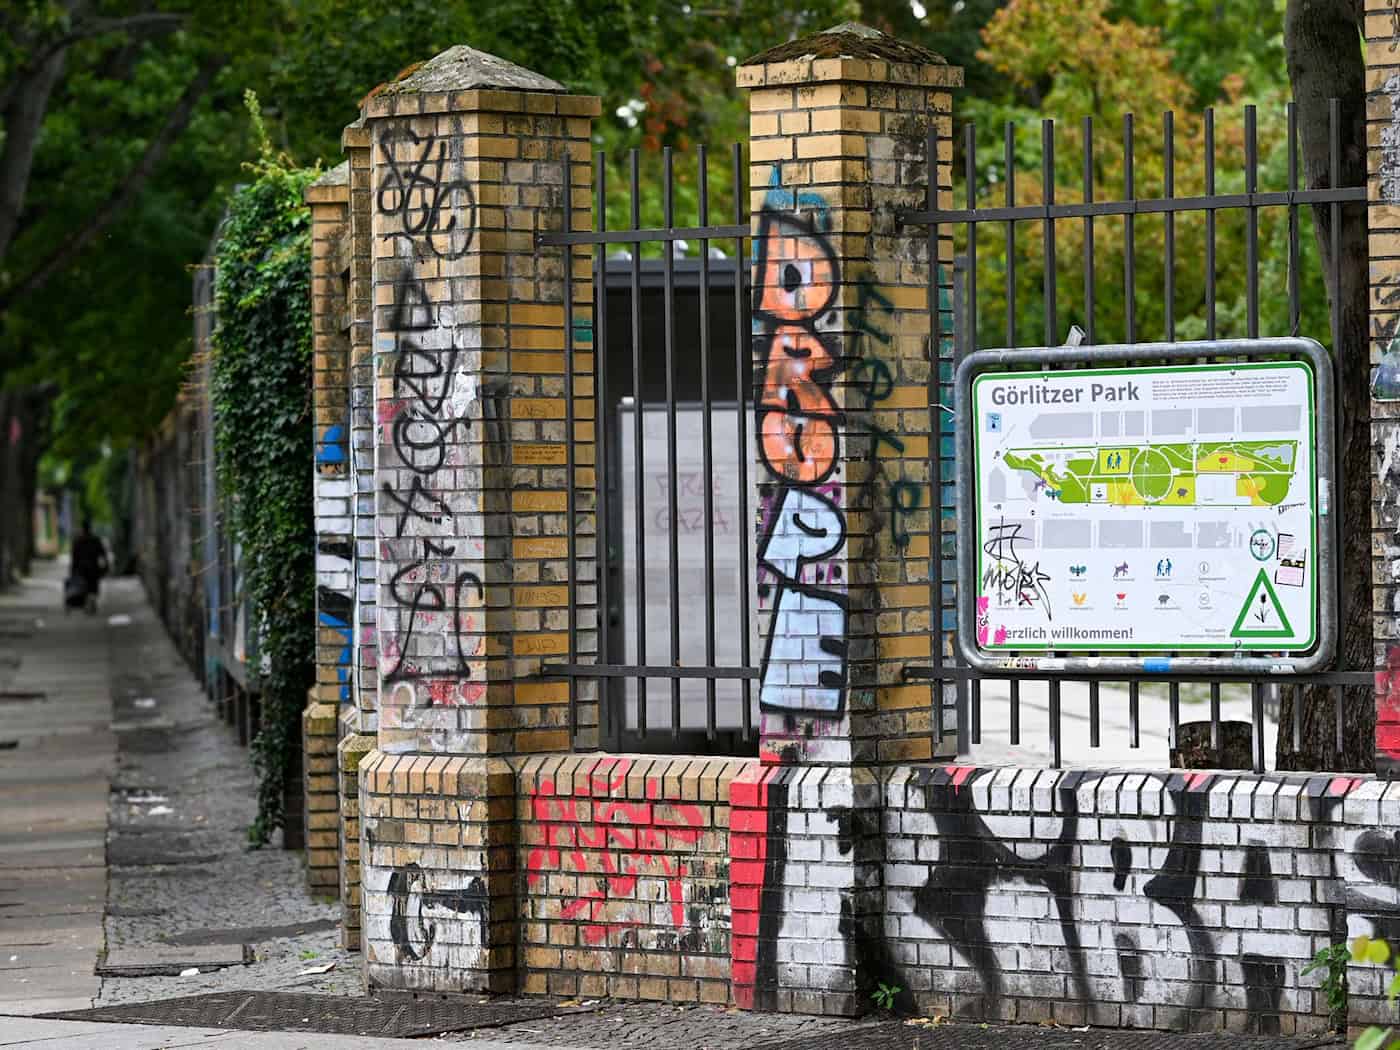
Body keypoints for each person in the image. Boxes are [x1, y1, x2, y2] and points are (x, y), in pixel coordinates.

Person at [70, 521, 109, 614]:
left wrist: (73, 571)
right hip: (93, 569)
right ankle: (91, 603)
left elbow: (74, 558)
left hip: (82, 569)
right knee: (93, 588)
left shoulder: (78, 541)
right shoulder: (95, 540)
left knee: (85, 588)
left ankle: (88, 604)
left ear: (83, 529)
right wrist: (105, 566)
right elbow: (103, 554)